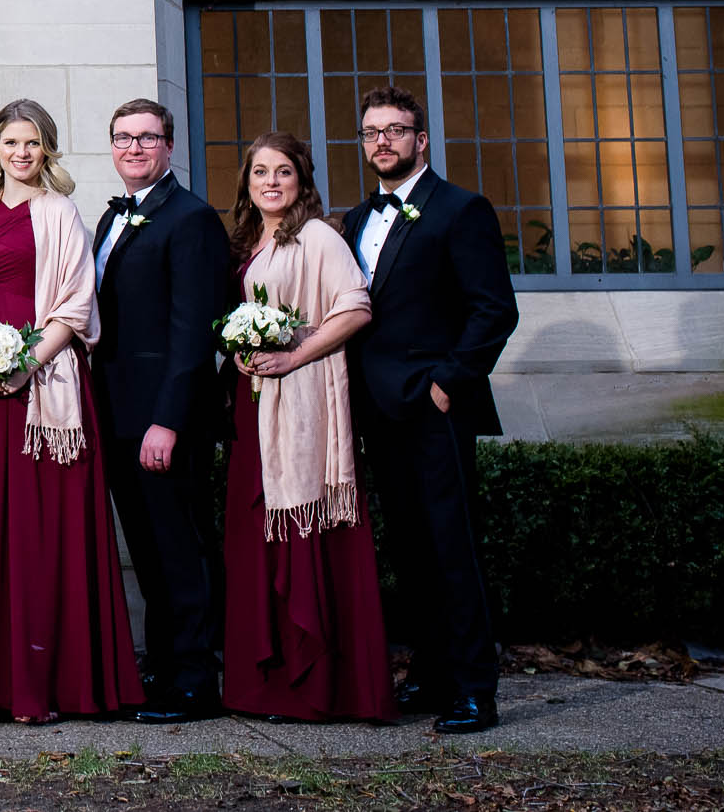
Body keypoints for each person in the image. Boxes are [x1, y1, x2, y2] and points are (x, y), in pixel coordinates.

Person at [0, 100, 142, 724]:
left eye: (33, 143)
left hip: (44, 388)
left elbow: (75, 305)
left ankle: (53, 683)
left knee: (40, 532)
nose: (21, 153)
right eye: (11, 142)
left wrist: (23, 364)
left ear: (46, 150)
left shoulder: (61, 214)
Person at [341, 86, 519, 735]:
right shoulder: (356, 220)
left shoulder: (461, 209)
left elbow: (494, 309)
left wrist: (448, 381)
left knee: (452, 549)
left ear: (421, 139)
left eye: (395, 129)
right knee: (410, 551)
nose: (381, 140)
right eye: (370, 131)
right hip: (378, 409)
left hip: (435, 407)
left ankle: (476, 688)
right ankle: (433, 670)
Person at [221, 133, 395, 725]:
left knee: (303, 537)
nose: (271, 182)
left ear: (302, 181)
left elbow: (355, 307)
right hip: (255, 406)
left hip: (304, 408)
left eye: (284, 172)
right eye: (260, 172)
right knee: (255, 545)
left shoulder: (318, 235)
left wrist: (294, 356)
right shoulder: (248, 240)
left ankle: (320, 689)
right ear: (247, 182)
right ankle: (263, 687)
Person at [88, 97, 232, 723]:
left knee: (180, 547)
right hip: (116, 413)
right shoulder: (110, 219)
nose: (135, 148)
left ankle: (197, 679)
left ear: (170, 146)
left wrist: (168, 420)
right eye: (124, 138)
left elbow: (194, 332)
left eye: (148, 138)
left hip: (163, 419)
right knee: (146, 549)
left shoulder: (192, 218)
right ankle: (166, 666)